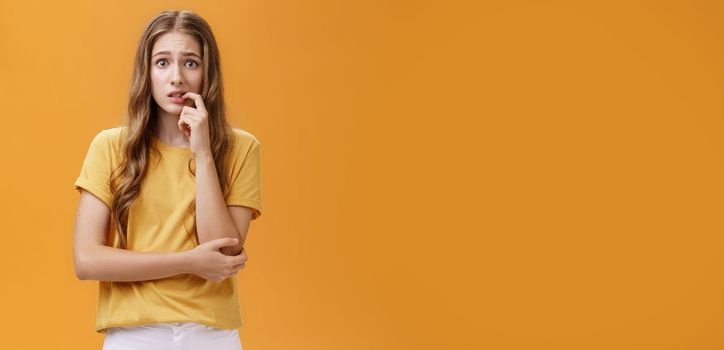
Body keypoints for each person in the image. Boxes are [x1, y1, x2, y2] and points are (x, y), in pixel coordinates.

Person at [72, 10, 262, 350]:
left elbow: (225, 251)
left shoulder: (241, 148)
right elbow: (87, 260)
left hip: (211, 335)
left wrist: (202, 154)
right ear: (146, 72)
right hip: (134, 335)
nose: (176, 77)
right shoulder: (110, 147)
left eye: (190, 63)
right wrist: (189, 262)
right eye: (162, 63)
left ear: (208, 73)